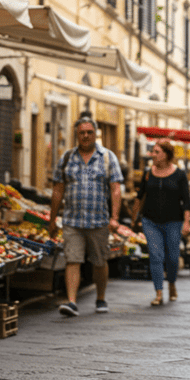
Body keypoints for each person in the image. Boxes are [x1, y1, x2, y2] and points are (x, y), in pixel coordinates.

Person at [48, 117, 123, 317]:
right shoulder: (66, 158)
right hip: (73, 220)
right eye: (82, 133)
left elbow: (116, 189)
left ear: (95, 133)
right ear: (77, 135)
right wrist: (52, 219)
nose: (86, 136)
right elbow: (57, 190)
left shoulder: (107, 157)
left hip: (99, 220)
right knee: (73, 260)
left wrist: (114, 217)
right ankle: (72, 302)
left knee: (99, 261)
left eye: (89, 132)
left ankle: (100, 298)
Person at [129, 141, 190, 306]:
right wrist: (134, 217)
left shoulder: (179, 174)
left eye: (156, 152)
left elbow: (186, 201)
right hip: (150, 221)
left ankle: (171, 283)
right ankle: (158, 292)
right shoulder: (148, 173)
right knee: (156, 256)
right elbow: (140, 195)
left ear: (166, 154)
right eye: (153, 152)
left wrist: (186, 222)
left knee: (172, 257)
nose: (153, 155)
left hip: (173, 221)